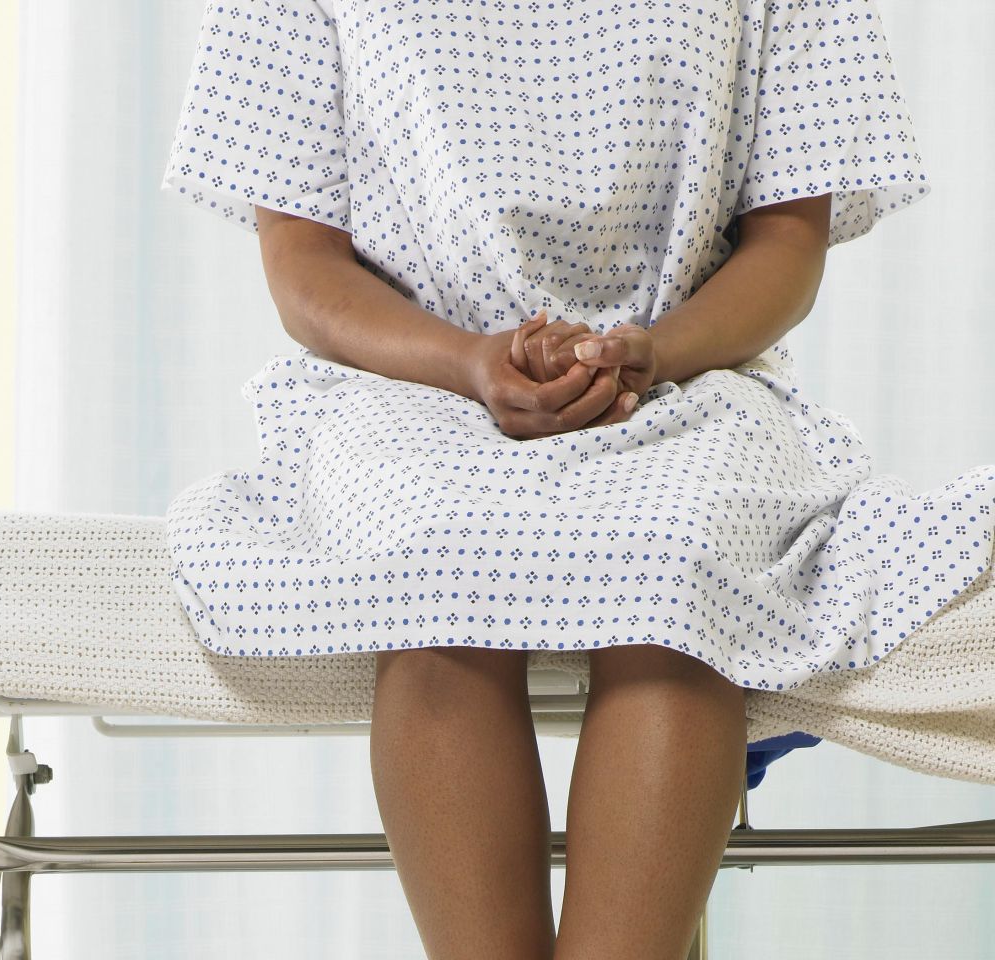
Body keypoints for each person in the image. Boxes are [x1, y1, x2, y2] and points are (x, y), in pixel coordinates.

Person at [159, 2, 995, 958]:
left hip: (688, 375)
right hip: (408, 377)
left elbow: (787, 243)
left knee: (681, 570)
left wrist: (654, 352)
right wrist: (469, 361)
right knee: (432, 561)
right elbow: (303, 264)